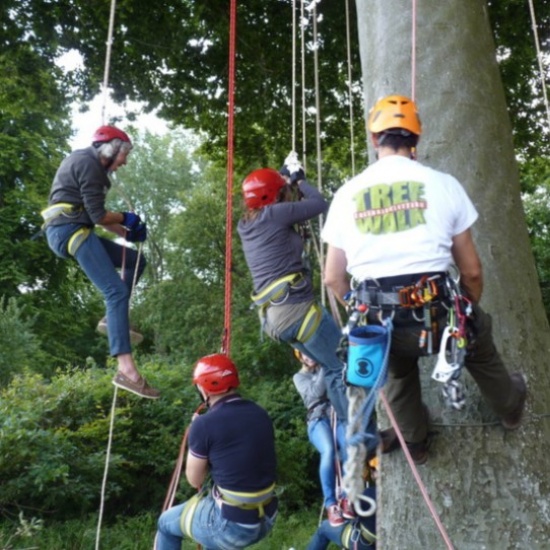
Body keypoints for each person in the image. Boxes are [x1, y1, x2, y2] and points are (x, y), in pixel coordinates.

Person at [322, 94, 527, 464]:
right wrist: (465, 312)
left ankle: (415, 442)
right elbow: (472, 271)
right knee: (478, 342)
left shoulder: (346, 195)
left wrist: (364, 311)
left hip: (381, 319)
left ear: (374, 140)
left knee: (398, 371)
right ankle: (510, 407)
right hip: (438, 311)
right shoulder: (444, 184)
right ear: (416, 140)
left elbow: (334, 278)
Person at [42, 125, 159, 399]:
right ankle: (127, 370)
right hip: (68, 231)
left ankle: (112, 318)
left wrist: (127, 232)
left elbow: (95, 214)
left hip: (73, 228)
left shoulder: (90, 165)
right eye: (124, 155)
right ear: (111, 148)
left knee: (134, 261)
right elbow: (97, 215)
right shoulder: (89, 164)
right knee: (115, 291)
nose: (125, 162)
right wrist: (124, 218)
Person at [237, 153, 350, 425]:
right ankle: (359, 436)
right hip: (297, 311)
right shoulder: (275, 214)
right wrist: (299, 182)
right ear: (275, 196)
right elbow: (319, 204)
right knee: (340, 368)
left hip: (275, 319)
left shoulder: (246, 225)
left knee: (330, 366)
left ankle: (353, 434)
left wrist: (281, 183)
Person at [155, 354, 278, 550]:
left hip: (232, 525)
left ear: (204, 387)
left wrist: (197, 437)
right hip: (266, 518)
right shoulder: (260, 413)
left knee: (165, 523)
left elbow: (195, 480)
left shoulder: (203, 425)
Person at [293, 350, 352, 527]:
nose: (308, 357)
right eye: (304, 355)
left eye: (310, 353)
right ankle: (331, 504)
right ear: (300, 357)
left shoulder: (328, 368)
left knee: (348, 448)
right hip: (317, 420)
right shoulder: (299, 377)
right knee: (328, 451)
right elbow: (316, 393)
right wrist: (326, 366)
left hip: (337, 414)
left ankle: (348, 497)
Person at [306, 485, 376, 550]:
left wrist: (340, 501)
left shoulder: (369, 493)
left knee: (324, 527)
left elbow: (348, 514)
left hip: (363, 543)